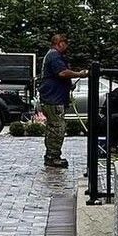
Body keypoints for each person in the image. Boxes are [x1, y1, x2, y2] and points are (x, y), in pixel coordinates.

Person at [39, 33, 88, 169]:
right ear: (60, 43)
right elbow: (62, 73)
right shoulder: (54, 55)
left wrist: (68, 84)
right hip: (53, 99)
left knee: (52, 129)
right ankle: (53, 157)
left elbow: (58, 76)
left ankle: (50, 156)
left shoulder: (50, 55)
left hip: (50, 98)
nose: (67, 46)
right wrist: (80, 74)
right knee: (57, 129)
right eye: (65, 43)